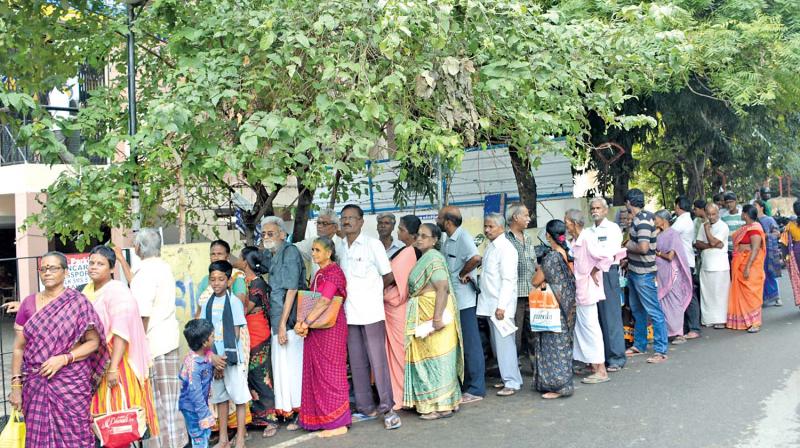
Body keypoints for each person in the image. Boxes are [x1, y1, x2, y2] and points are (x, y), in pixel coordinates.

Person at [9, 251, 108, 447]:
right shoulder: (28, 304)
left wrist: (64, 359)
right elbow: (19, 349)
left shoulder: (78, 303)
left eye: (53, 268)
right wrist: (15, 387)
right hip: (36, 384)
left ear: (65, 272)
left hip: (70, 385)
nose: (47, 272)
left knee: (75, 437)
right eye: (43, 268)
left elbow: (94, 342)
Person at [84, 246, 159, 438]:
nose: (94, 267)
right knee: (101, 421)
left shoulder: (118, 291)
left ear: (111, 268)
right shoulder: (87, 291)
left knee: (120, 419)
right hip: (95, 363)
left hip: (118, 363)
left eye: (100, 264)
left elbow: (121, 333)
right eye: (91, 263)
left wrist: (113, 368)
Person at [339, 204, 401, 429]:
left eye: (351, 218)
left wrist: (372, 293)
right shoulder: (340, 246)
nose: (347, 222)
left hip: (372, 313)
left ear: (361, 221)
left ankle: (388, 409)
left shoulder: (372, 245)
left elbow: (389, 275)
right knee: (357, 364)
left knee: (378, 362)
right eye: (343, 218)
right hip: (349, 315)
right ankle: (366, 408)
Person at [131, 228, 188, 448]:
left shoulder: (144, 272)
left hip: (153, 345)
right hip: (168, 341)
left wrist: (135, 344)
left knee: (157, 405)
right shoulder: (162, 267)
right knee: (170, 403)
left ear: (138, 247)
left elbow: (142, 314)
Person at [402, 223, 463, 419]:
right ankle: (441, 403)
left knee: (439, 358)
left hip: (435, 314)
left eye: (424, 236)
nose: (419, 239)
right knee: (430, 359)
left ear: (435, 240)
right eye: (418, 235)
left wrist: (436, 317)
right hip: (425, 313)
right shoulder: (424, 258)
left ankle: (442, 405)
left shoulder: (434, 258)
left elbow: (442, 288)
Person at [294, 237, 352, 438]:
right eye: (312, 249)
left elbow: (324, 301)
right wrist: (304, 323)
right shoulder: (319, 272)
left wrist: (305, 322)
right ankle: (319, 419)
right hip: (316, 328)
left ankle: (338, 422)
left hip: (330, 330)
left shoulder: (334, 273)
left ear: (329, 253)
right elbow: (314, 301)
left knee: (330, 375)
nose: (314, 253)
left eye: (318, 250)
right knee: (316, 375)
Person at [437, 206, 485, 404]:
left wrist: (462, 273)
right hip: (454, 299)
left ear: (448, 221)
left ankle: (477, 388)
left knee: (471, 343)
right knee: (462, 344)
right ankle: (467, 384)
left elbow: (475, 258)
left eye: (439, 217)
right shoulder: (448, 240)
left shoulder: (463, 237)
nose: (437, 219)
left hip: (464, 300)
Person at [565, 209, 618, 385]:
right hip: (580, 290)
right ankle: (593, 366)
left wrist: (594, 271)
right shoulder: (576, 240)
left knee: (591, 330)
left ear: (573, 223)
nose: (565, 226)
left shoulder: (587, 238)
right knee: (583, 330)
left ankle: (601, 370)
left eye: (566, 222)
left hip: (587, 290)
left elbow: (608, 257)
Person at [263, 216, 306, 428]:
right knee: (282, 368)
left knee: (293, 367)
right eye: (263, 234)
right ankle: (289, 411)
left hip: (289, 322)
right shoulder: (273, 254)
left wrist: (281, 324)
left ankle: (301, 412)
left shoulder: (290, 252)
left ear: (282, 234)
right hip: (278, 321)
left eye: (270, 233)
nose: (266, 237)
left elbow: (292, 289)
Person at [201, 260, 250, 448]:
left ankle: (240, 437)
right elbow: (206, 333)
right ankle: (223, 439)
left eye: (221, 279)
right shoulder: (207, 304)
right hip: (214, 358)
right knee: (220, 399)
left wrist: (224, 361)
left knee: (238, 398)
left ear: (228, 281)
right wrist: (214, 360)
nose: (216, 283)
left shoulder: (235, 303)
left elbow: (235, 334)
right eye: (213, 279)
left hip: (231, 358)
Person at [531, 220, 577, 399]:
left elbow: (535, 281)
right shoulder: (566, 252)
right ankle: (559, 383)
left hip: (554, 308)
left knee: (554, 347)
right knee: (564, 345)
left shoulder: (551, 258)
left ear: (548, 236)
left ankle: (559, 386)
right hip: (568, 306)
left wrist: (540, 271)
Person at [478, 213, 522, 396]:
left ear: (501, 228)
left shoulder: (506, 248)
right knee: (499, 346)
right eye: (486, 226)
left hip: (500, 306)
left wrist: (502, 306)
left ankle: (512, 382)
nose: (487, 230)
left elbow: (509, 280)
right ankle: (510, 378)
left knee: (505, 345)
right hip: (490, 304)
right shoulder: (491, 247)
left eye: (491, 227)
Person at [623, 189, 669, 364]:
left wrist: (627, 245)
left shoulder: (642, 220)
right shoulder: (644, 217)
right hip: (635, 271)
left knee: (653, 311)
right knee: (637, 310)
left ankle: (661, 350)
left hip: (643, 273)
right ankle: (640, 344)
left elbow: (642, 248)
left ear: (629, 202)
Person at [384, 215, 422, 409]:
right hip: (400, 308)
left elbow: (391, 277)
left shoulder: (408, 252)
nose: (398, 233)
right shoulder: (410, 251)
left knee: (399, 353)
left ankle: (403, 395)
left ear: (412, 234)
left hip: (399, 308)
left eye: (401, 230)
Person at [240, 246, 278, 437]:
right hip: (248, 332)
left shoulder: (257, 283)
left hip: (258, 333)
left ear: (246, 262)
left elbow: (245, 309)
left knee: (260, 376)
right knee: (249, 375)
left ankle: (269, 418)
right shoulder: (245, 281)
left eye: (240, 258)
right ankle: (255, 417)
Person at [588, 198, 627, 372]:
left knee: (611, 316)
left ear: (605, 211)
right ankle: (601, 358)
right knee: (596, 318)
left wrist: (597, 265)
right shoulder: (589, 231)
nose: (595, 211)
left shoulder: (612, 228)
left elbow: (610, 253)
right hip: (591, 274)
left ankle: (617, 358)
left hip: (607, 272)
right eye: (593, 208)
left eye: (598, 208)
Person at [653, 210, 693, 343]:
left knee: (674, 303)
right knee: (664, 304)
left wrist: (657, 254)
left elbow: (670, 256)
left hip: (672, 274)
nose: (654, 221)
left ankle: (679, 333)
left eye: (656, 219)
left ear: (663, 220)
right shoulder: (659, 233)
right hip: (661, 274)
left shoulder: (673, 234)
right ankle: (669, 332)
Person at [505, 204, 537, 372]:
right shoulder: (505, 239)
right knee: (515, 335)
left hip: (531, 293)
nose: (528, 219)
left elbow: (534, 265)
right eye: (525, 215)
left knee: (534, 333)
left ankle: (536, 367)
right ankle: (513, 369)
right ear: (516, 217)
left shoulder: (529, 238)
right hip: (514, 295)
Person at [726, 204, 766, 333]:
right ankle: (745, 321)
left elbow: (755, 249)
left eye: (742, 212)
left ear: (746, 214)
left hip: (751, 264)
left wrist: (748, 267)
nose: (741, 215)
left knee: (751, 293)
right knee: (742, 294)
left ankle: (755, 322)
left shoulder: (755, 229)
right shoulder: (745, 227)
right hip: (740, 262)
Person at [179, 319, 216, 448]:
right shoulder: (193, 366)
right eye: (212, 336)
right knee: (199, 437)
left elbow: (209, 356)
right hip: (192, 408)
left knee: (205, 434)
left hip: (199, 406)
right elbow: (195, 393)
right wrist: (204, 415)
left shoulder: (204, 354)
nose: (214, 338)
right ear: (204, 342)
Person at [695, 204, 731, 328]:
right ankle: (708, 319)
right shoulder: (703, 225)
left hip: (720, 266)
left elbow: (714, 241)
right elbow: (698, 243)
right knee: (707, 294)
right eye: (708, 214)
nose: (711, 217)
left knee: (720, 294)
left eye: (713, 214)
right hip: (706, 265)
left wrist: (707, 231)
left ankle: (721, 320)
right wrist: (711, 245)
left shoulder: (723, 227)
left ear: (718, 213)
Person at [671, 197, 701, 341]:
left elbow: (668, 235)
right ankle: (689, 327)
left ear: (678, 206)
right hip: (685, 261)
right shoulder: (685, 219)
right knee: (686, 294)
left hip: (684, 262)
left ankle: (693, 327)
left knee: (689, 294)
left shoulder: (682, 220)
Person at [195, 240, 247, 317]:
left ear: (228, 256)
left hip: (228, 324)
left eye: (219, 254)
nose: (216, 257)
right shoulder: (205, 279)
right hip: (207, 325)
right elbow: (200, 309)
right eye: (213, 254)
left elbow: (239, 307)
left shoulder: (236, 276)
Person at [296, 209, 345, 277]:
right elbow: (294, 249)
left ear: (335, 227)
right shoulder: (313, 241)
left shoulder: (342, 246)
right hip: (316, 286)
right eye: (318, 223)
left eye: (324, 224)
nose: (319, 226)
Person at [755, 200, 782, 307]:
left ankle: (777, 297)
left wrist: (766, 236)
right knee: (760, 274)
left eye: (755, 205)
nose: (754, 207)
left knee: (770, 272)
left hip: (769, 250)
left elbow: (777, 233)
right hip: (757, 251)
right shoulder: (753, 221)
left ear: (761, 207)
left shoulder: (769, 219)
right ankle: (763, 298)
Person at [785, 201, 800, 308]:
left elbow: (786, 241)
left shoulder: (790, 225)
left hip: (796, 250)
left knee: (798, 276)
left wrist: (787, 256)